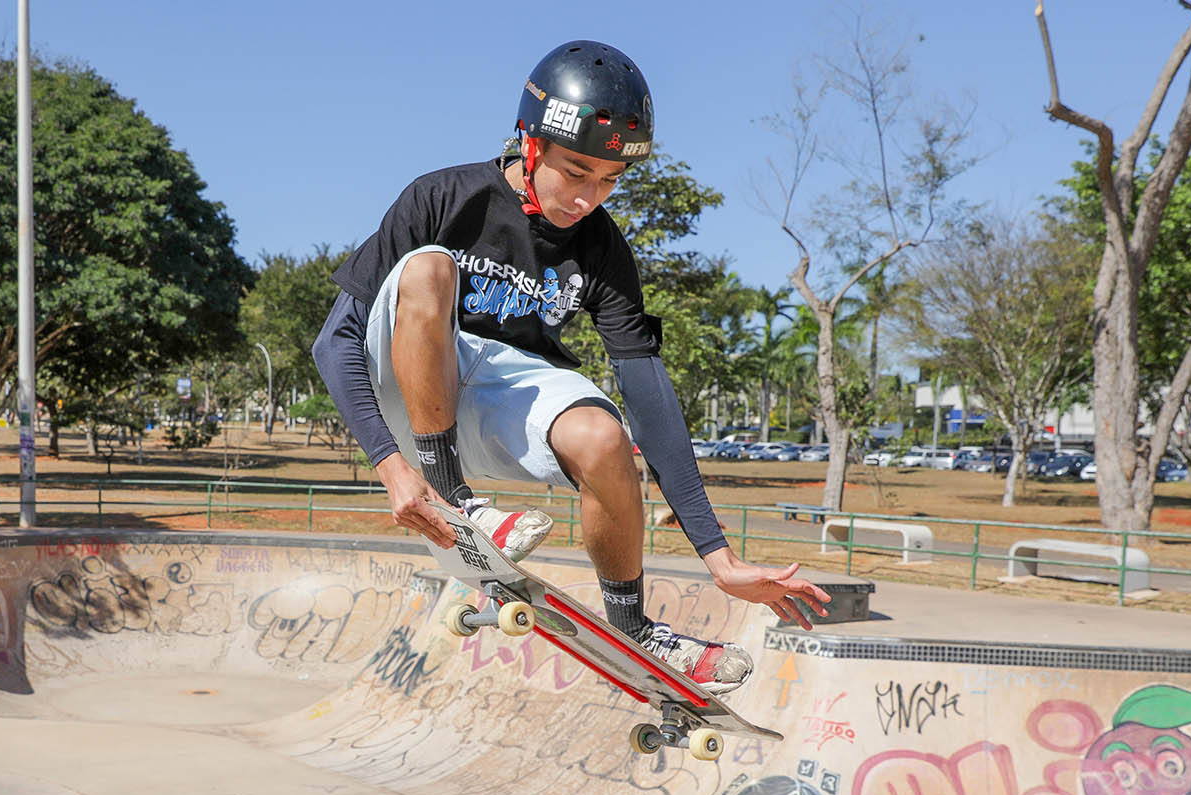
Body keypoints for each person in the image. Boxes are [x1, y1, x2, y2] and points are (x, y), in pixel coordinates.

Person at [312, 40, 830, 694]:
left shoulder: (602, 250)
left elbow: (649, 393)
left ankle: (633, 628)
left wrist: (719, 560)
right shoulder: (442, 197)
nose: (589, 197)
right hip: (401, 385)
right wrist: (393, 468)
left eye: (609, 180)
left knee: (604, 433)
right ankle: (453, 495)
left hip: (494, 400)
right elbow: (334, 341)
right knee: (429, 268)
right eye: (576, 171)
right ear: (531, 146)